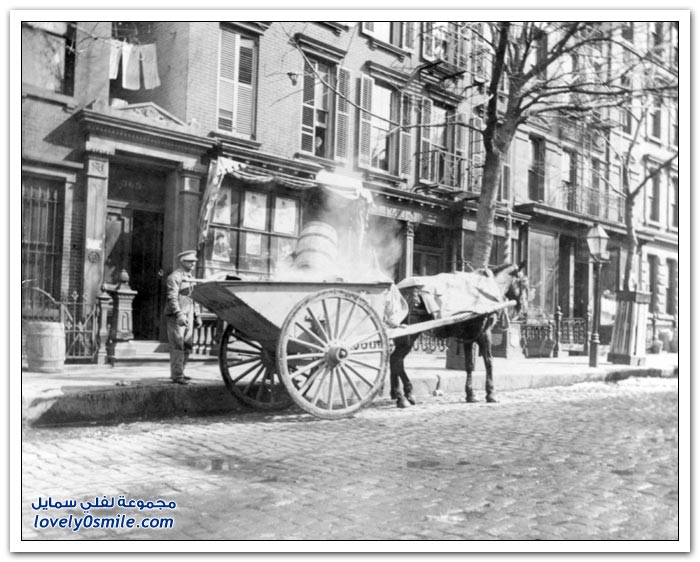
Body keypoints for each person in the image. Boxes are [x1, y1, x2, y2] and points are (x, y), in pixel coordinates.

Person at [164, 250, 202, 385]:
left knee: (187, 345)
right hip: (177, 315)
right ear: (182, 262)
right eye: (190, 261)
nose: (193, 264)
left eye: (194, 262)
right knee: (177, 345)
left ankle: (181, 372)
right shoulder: (174, 277)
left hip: (189, 313)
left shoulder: (191, 277)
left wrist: (197, 315)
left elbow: (195, 297)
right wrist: (179, 314)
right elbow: (172, 298)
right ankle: (177, 375)